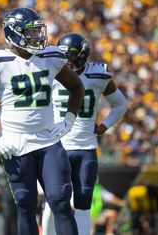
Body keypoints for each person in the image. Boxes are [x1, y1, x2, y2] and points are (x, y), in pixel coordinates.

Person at [0, 7, 85, 235]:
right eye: (31, 32)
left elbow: (77, 87)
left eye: (38, 31)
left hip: (48, 141)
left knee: (61, 201)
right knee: (25, 205)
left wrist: (68, 119)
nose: (38, 37)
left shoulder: (51, 56)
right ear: (13, 34)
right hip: (16, 145)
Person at [42, 32, 128, 235]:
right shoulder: (51, 73)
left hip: (84, 148)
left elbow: (121, 105)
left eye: (69, 55)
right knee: (52, 201)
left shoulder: (98, 75)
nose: (66, 60)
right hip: (59, 146)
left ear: (80, 55)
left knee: (83, 205)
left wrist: (103, 127)